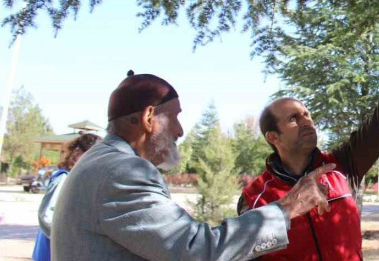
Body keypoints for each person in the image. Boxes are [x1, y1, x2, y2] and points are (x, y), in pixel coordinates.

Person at [52, 72, 334, 261]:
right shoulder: (122, 173)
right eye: (175, 117)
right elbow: (197, 251)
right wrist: (287, 208)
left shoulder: (98, 161)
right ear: (149, 117)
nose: (180, 130)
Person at [238, 15, 379, 261]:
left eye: (307, 114)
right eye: (294, 118)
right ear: (273, 137)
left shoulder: (342, 166)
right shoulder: (255, 197)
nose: (306, 121)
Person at [32, 133, 101, 261]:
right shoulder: (63, 178)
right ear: (77, 154)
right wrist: (67, 240)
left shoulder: (76, 179)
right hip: (50, 253)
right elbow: (46, 215)